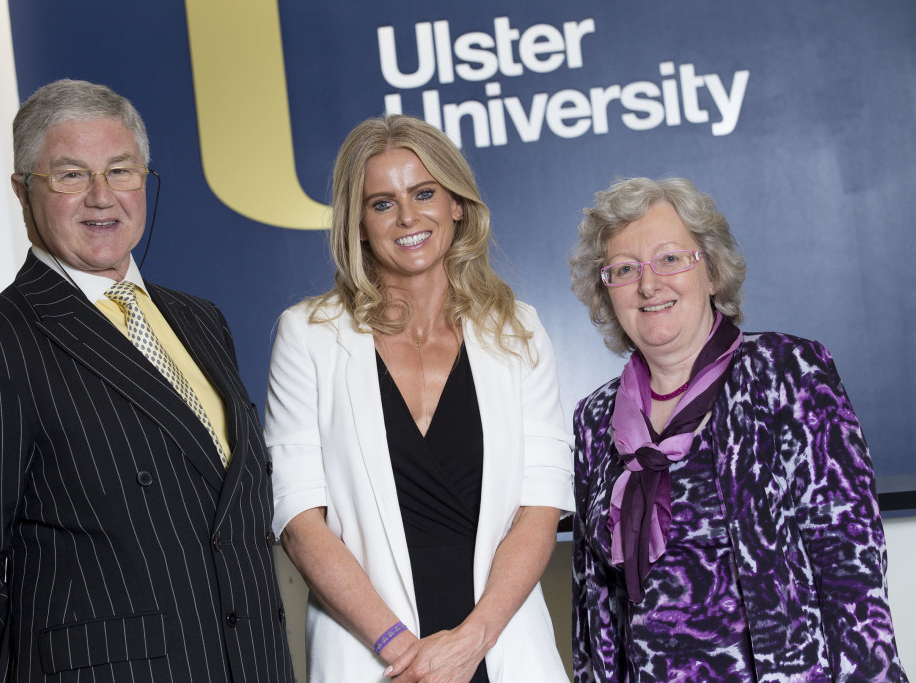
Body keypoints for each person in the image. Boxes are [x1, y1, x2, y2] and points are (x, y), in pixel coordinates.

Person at [0, 79, 294, 683]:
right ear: (22, 190)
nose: (101, 197)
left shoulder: (199, 319)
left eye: (120, 170)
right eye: (69, 175)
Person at [264, 114, 574, 682]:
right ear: (357, 223)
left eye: (424, 192)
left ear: (457, 204)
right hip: (375, 657)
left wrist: (469, 644)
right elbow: (298, 519)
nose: (408, 216)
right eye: (382, 203)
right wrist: (404, 652)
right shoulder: (307, 335)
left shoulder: (519, 330)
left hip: (501, 646)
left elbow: (541, 506)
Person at [567, 176, 908, 681]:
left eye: (670, 259)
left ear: (712, 271)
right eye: (623, 269)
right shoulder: (595, 418)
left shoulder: (787, 371)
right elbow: (592, 596)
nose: (648, 284)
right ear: (605, 291)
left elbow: (850, 563)